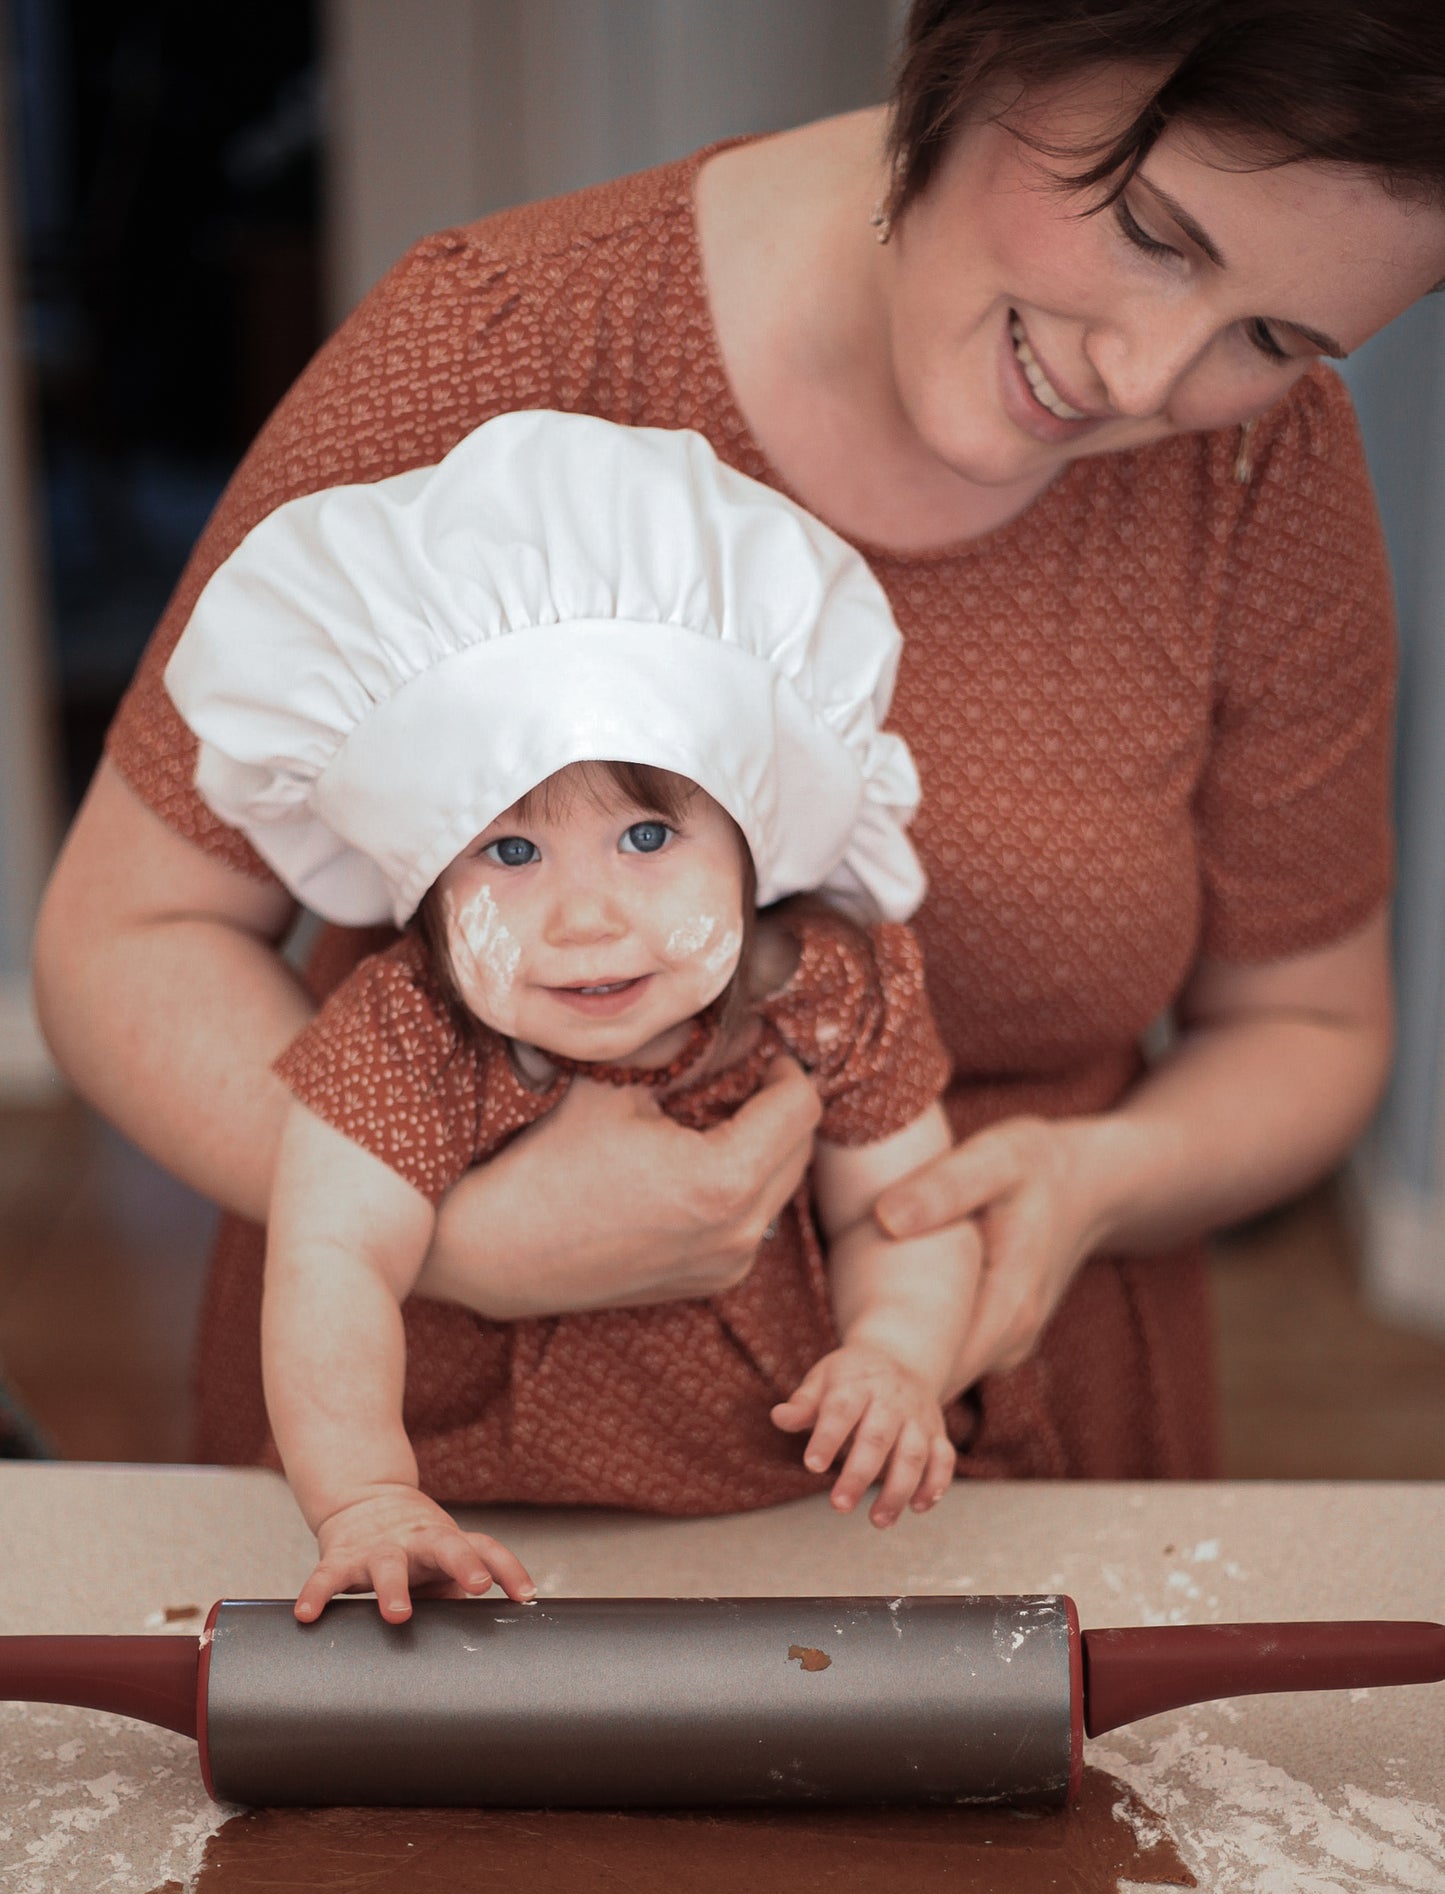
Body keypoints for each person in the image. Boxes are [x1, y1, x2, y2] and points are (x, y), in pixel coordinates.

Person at [34, 3, 1445, 1485]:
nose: (1147, 379)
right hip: (443, 1458)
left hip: (988, 1440)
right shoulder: (494, 339)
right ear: (992, 41)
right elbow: (122, 943)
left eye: (1274, 337)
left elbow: (1310, 1029)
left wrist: (1099, 1184)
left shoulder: (1258, 470)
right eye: (1154, 231)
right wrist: (463, 1235)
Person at [164, 410, 977, 1616]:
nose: (586, 918)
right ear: (426, 890)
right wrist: (369, 1498)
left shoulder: (829, 990)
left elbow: (900, 1215)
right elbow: (330, 1261)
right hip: (477, 1529)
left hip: (781, 1520)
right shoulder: (408, 1031)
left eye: (647, 835)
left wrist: (897, 1354)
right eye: (508, 849)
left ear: (752, 846)